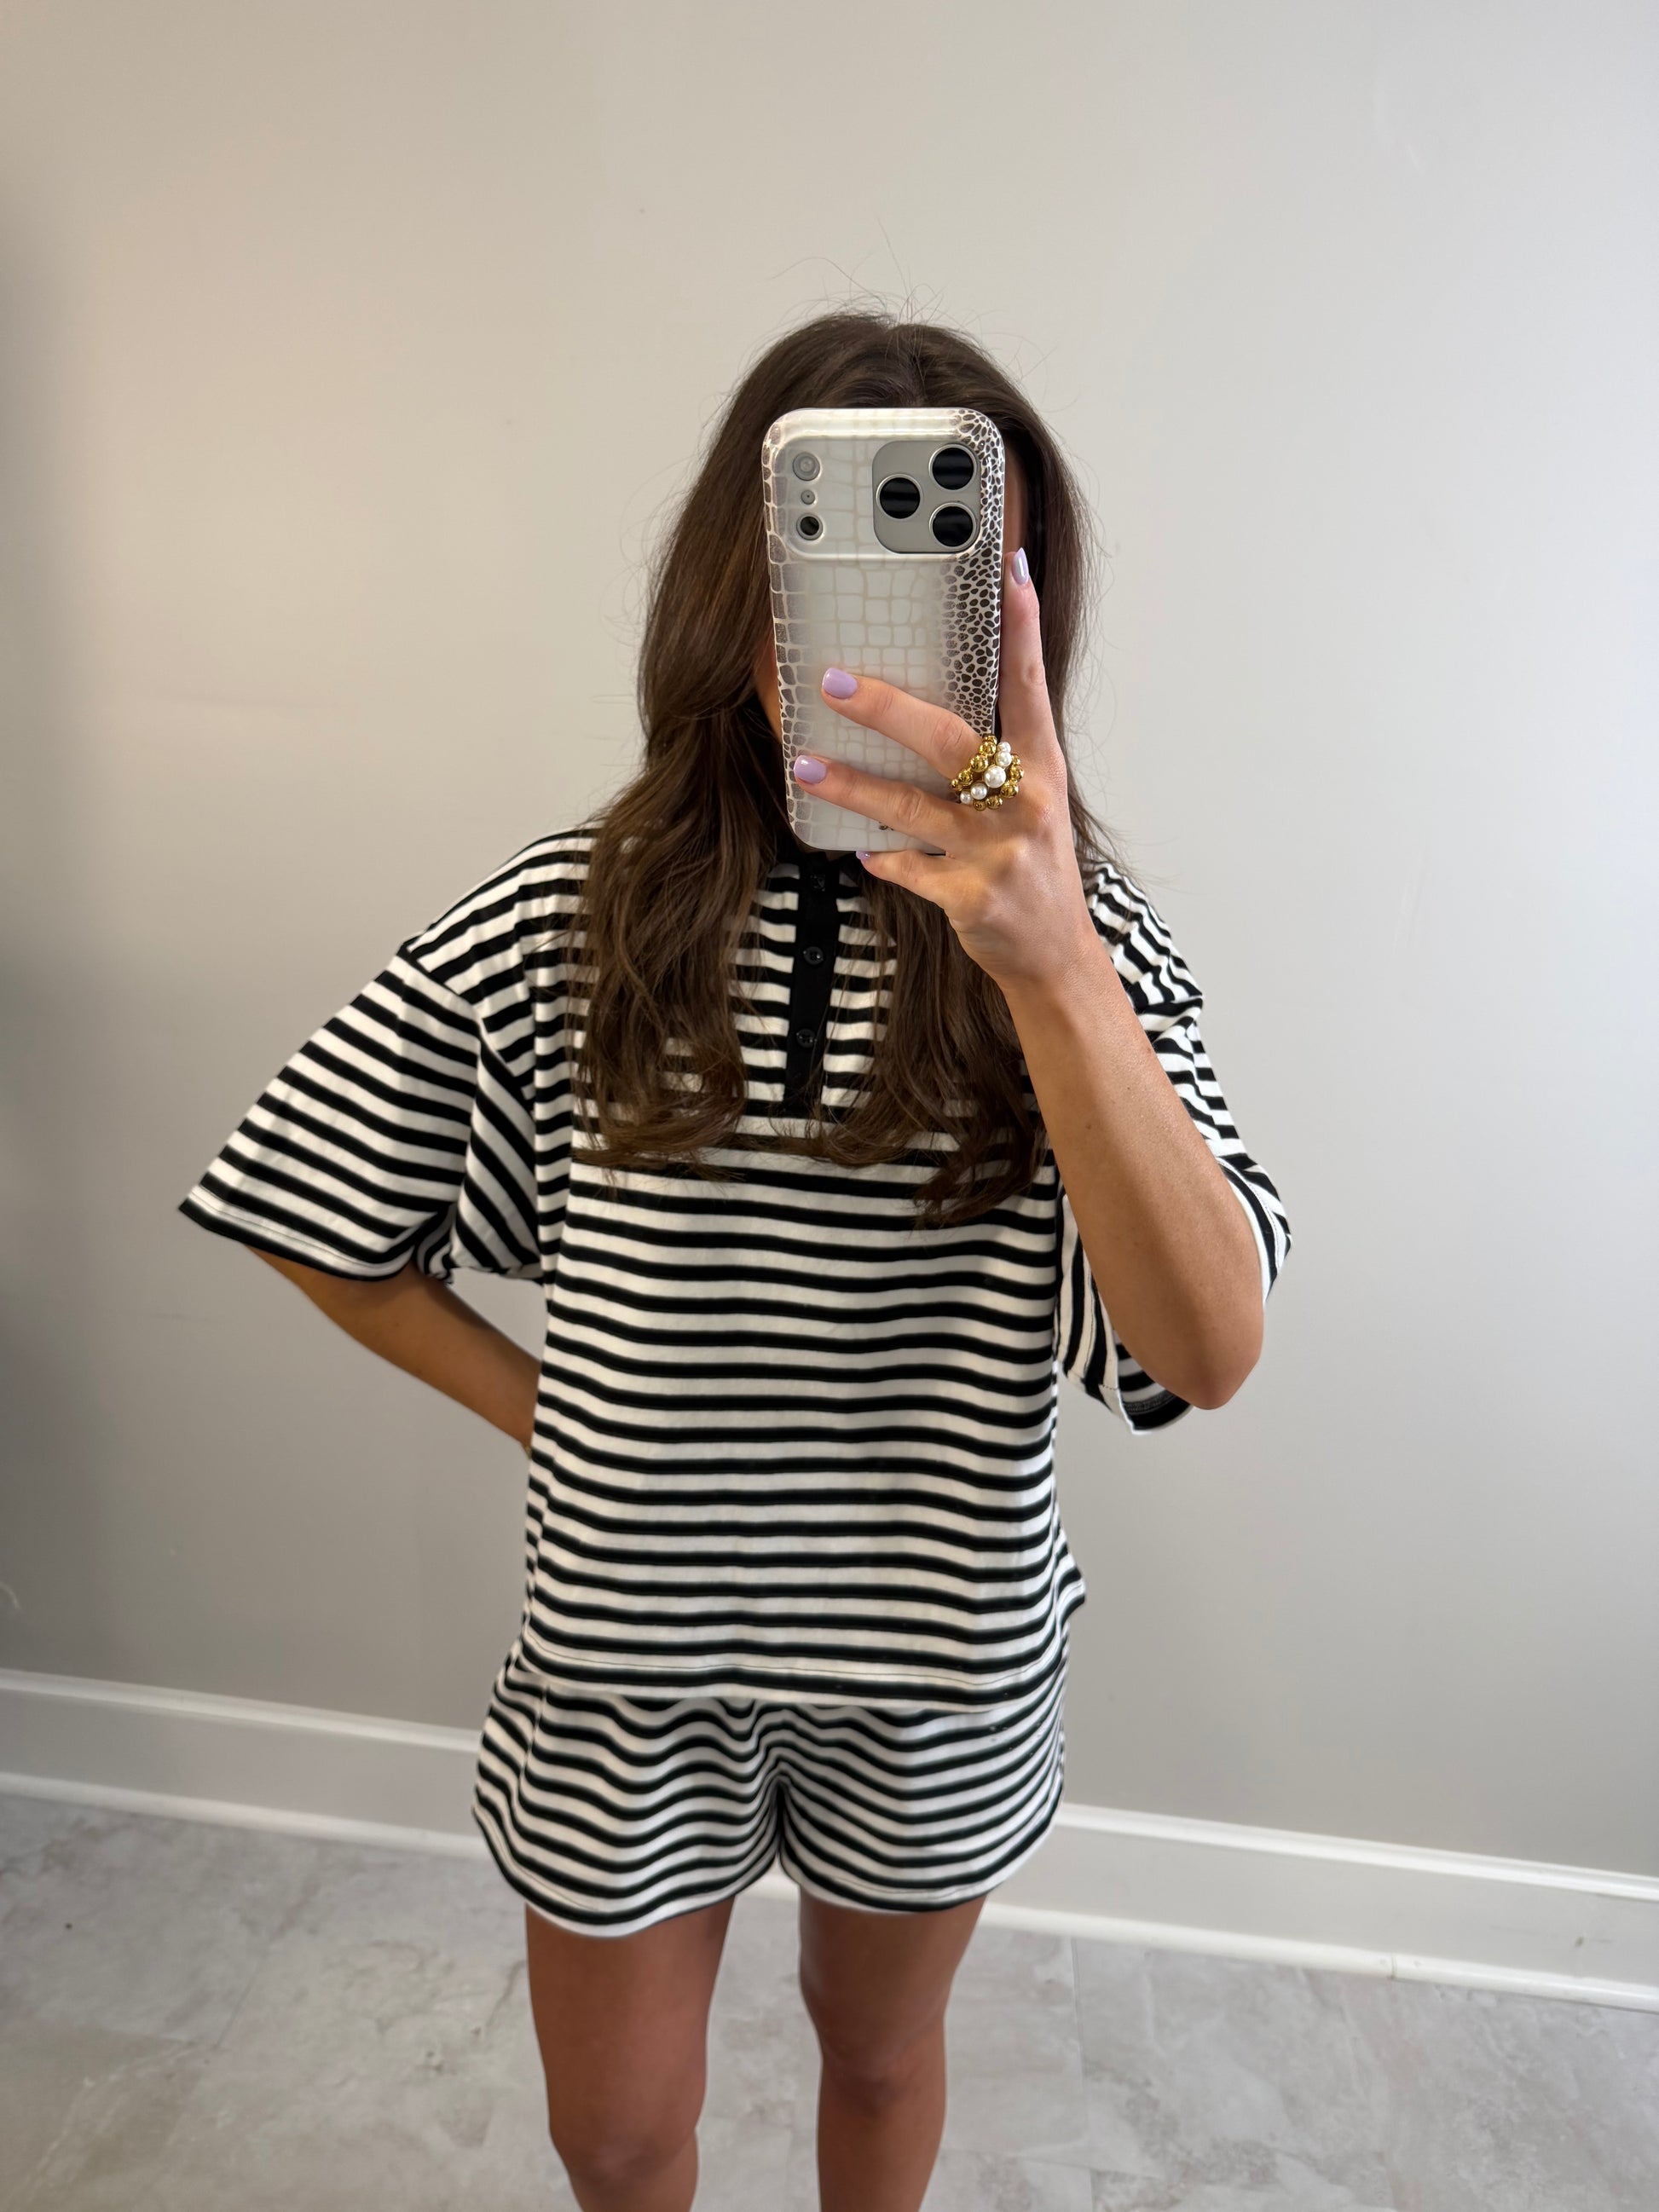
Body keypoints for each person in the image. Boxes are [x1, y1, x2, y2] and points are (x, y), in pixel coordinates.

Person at [179, 308, 1291, 2212]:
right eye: (823, 567)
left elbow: (1203, 1349)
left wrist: (1049, 963)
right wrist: (554, 1414)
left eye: (946, 585)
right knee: (614, 2133)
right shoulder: (569, 914)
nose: (872, 648)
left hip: (934, 1656)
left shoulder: (1083, 952)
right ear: (736, 593)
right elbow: (316, 1205)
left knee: (879, 2053)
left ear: (1017, 627)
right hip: (627, 1655)